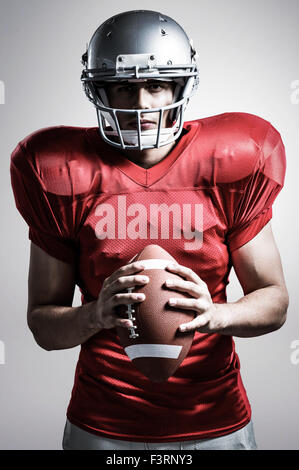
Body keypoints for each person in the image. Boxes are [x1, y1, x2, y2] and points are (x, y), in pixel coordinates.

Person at [10, 10, 288, 451]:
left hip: (214, 420)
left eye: (156, 85)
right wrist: (94, 315)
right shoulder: (59, 170)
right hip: (103, 424)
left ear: (180, 86)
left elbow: (274, 302)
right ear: (98, 90)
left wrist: (218, 314)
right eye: (124, 86)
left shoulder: (232, 160)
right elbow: (43, 324)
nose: (141, 104)